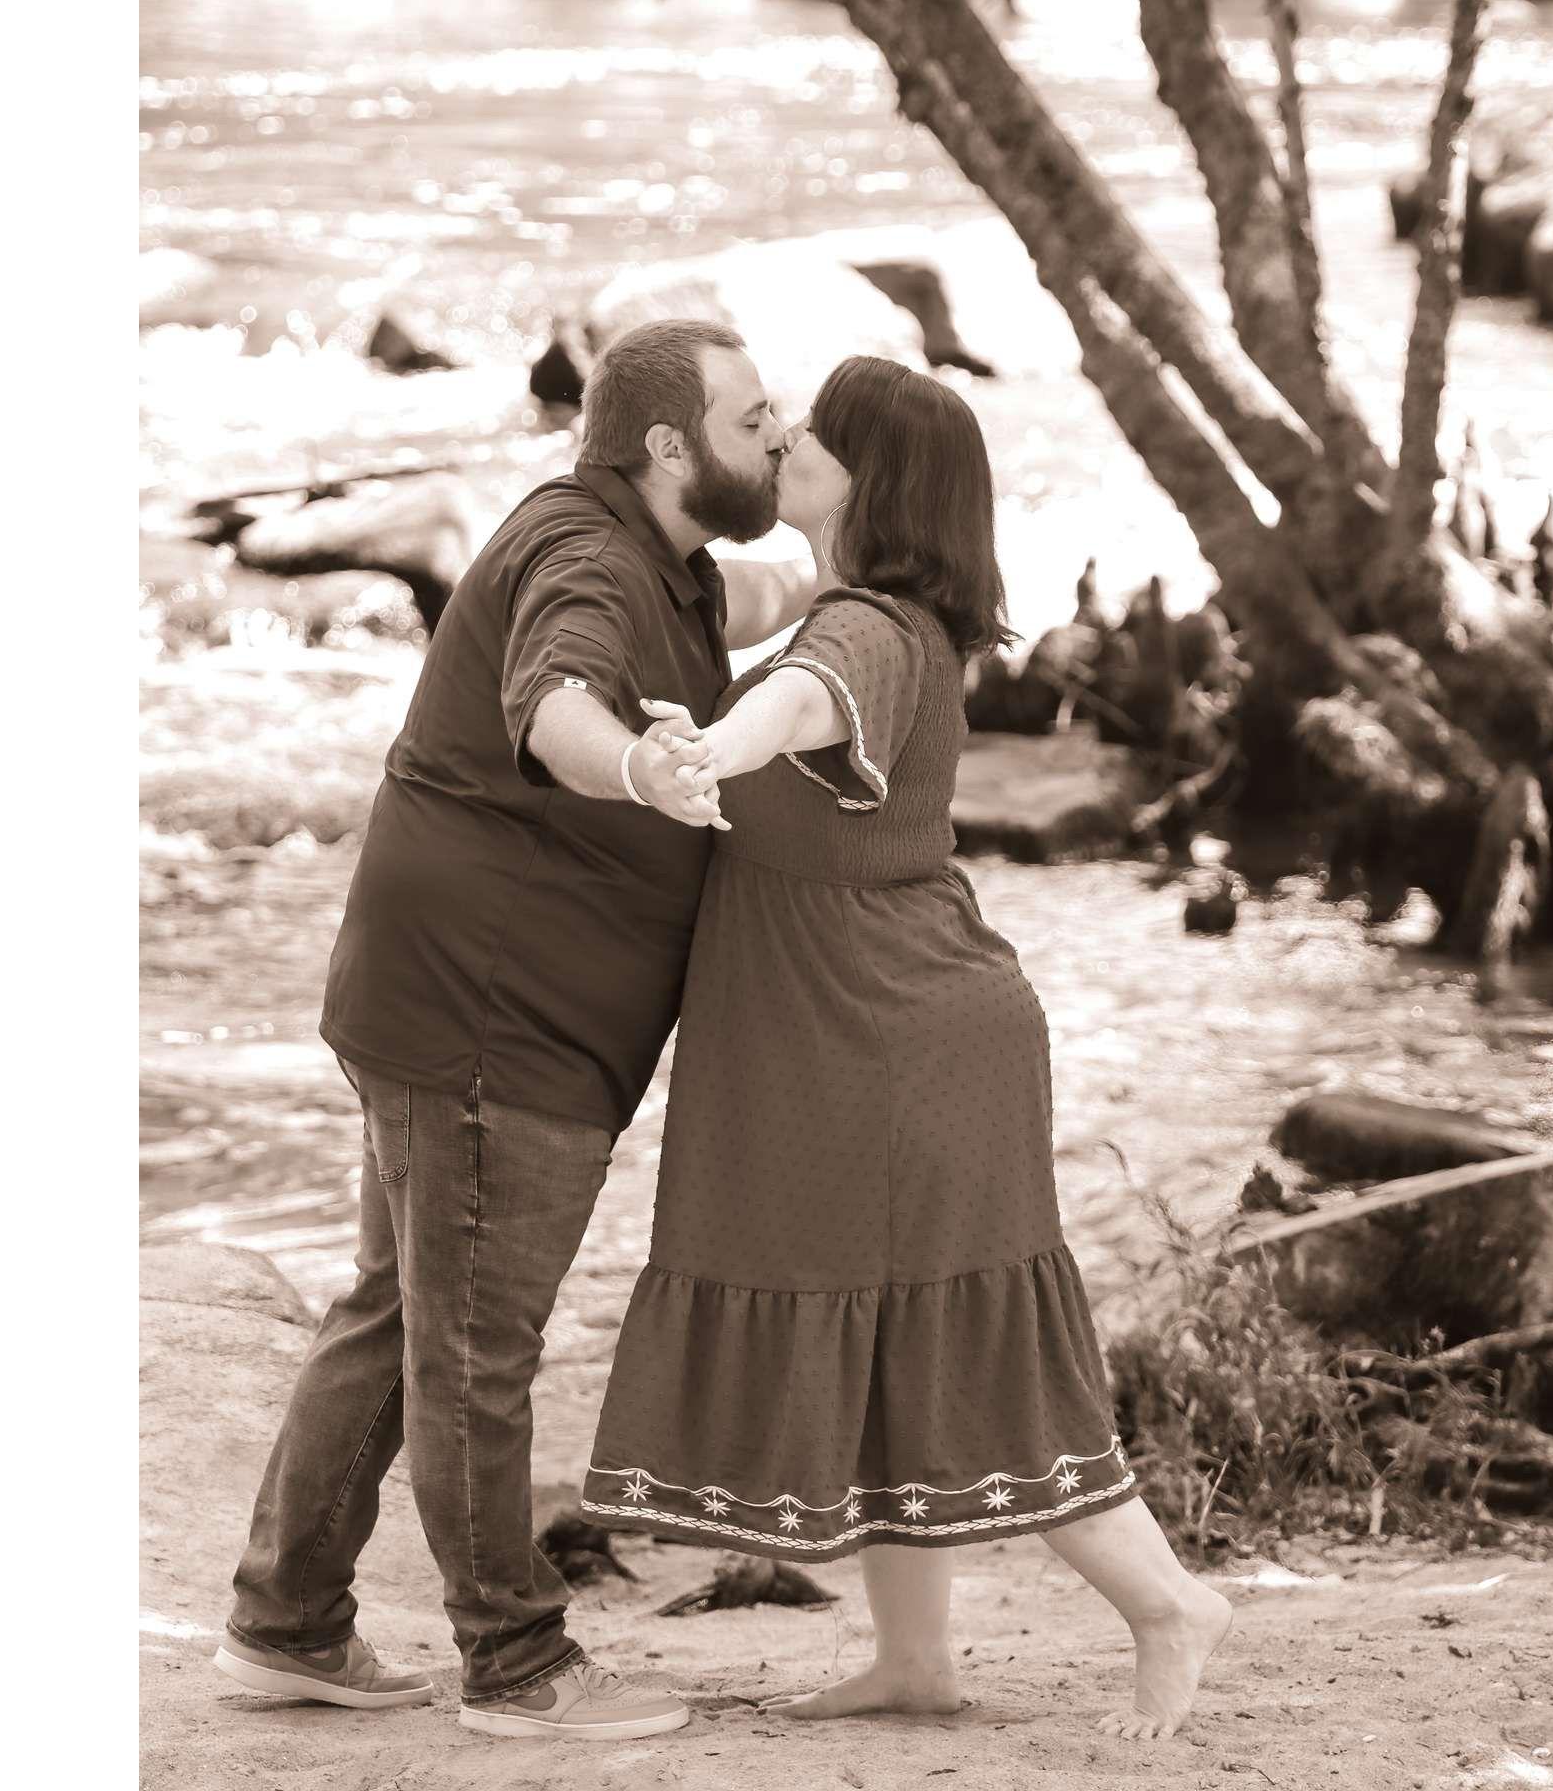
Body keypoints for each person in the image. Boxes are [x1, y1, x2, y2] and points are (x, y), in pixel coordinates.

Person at [582, 356, 1235, 1742]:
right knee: (901, 1345)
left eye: (815, 431)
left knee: (970, 1359)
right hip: (873, 1026)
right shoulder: (870, 613)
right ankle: (916, 1660)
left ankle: (1169, 1605)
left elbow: (806, 703)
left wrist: (712, 747)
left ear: (871, 480)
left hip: (893, 1036)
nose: (787, 439)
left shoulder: (869, 629)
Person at [214, 318, 813, 1743]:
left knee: (400, 1313)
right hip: (493, 1019)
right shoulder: (588, 559)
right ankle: (518, 1663)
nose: (780, 433)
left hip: (446, 997)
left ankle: (287, 1624)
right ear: (667, 446)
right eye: (754, 420)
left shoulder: (659, 552)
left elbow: (747, 599)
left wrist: (844, 566)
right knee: (475, 1346)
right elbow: (554, 705)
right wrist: (645, 771)